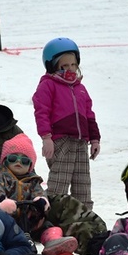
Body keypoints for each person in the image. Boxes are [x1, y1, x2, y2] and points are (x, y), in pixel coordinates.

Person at [0, 64, 108, 255]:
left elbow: (27, 173)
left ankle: (101, 246)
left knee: (62, 204)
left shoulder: (11, 132)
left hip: (17, 204)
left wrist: (34, 203)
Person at [33, 37, 100, 209]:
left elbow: (89, 116)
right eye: (64, 66)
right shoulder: (48, 86)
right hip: (61, 143)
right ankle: (51, 218)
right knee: (59, 186)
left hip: (81, 144)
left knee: (82, 187)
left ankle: (85, 222)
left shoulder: (80, 88)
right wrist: (46, 138)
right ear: (53, 66)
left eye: (73, 65)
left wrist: (94, 140)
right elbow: (42, 112)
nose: (70, 69)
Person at [0, 132, 77, 255]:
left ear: (30, 165)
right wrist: (1, 200)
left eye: (24, 161)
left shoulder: (33, 181)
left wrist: (41, 201)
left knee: (47, 225)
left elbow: (39, 192)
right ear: (5, 161)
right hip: (7, 219)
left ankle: (53, 241)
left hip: (29, 219)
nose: (18, 163)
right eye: (13, 159)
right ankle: (3, 248)